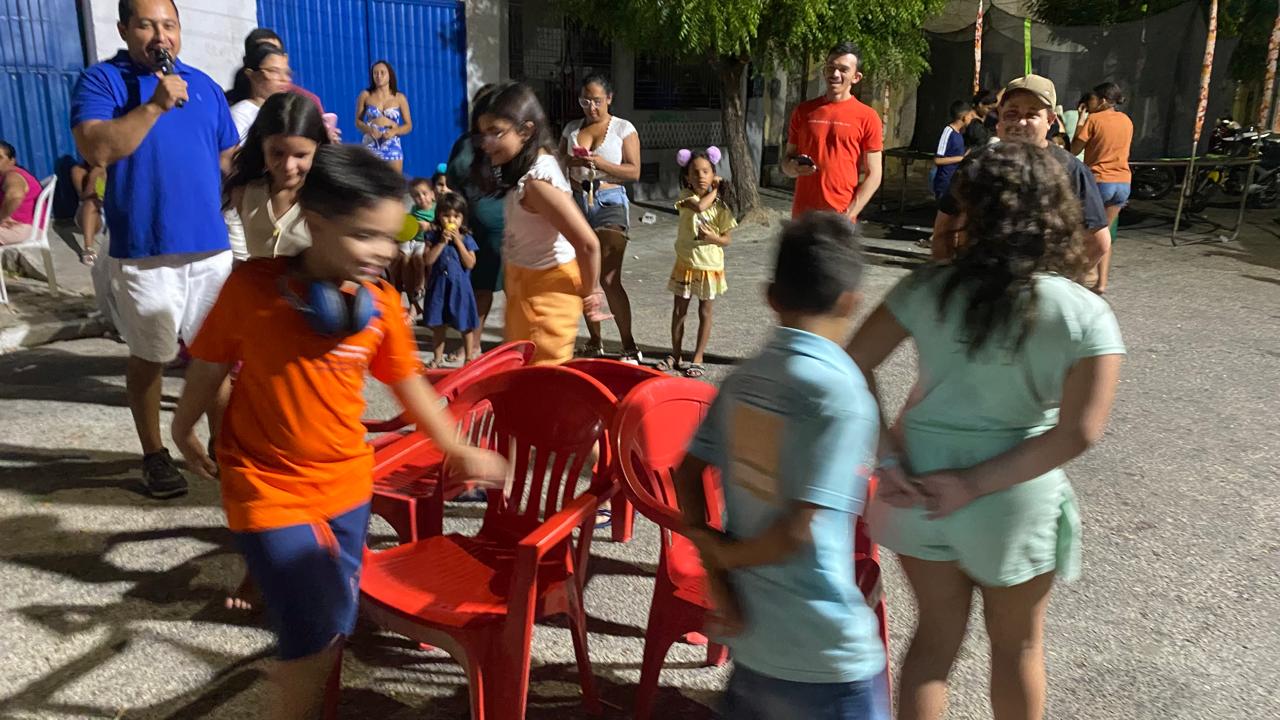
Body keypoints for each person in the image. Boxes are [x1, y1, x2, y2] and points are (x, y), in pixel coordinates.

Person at [171, 144, 507, 720]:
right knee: (317, 620)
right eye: (365, 235)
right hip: (266, 487)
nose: (384, 252)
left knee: (333, 621)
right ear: (316, 221)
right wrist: (182, 428)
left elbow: (409, 384)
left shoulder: (379, 304)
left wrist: (455, 446)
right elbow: (208, 365)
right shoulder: (251, 290)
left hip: (346, 488)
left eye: (391, 237)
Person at [847, 143, 1124, 720]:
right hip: (1013, 498)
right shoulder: (1085, 312)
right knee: (1018, 646)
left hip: (916, 487)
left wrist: (888, 460)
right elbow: (1080, 432)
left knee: (933, 644)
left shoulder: (927, 287)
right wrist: (973, 485)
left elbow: (850, 368)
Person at [673, 211, 888, 720]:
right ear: (851, 302)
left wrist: (717, 569)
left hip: (754, 643)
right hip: (826, 653)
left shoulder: (741, 382)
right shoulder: (841, 393)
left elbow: (687, 472)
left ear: (771, 297)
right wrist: (724, 560)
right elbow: (795, 532)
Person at [70, 0, 238, 499]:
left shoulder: (204, 86)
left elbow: (229, 160)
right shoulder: (104, 82)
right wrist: (153, 106)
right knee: (151, 357)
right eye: (146, 25)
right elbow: (97, 148)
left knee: (216, 359)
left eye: (169, 24)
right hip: (145, 250)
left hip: (211, 250)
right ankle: (155, 455)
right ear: (124, 29)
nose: (160, 35)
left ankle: (226, 448)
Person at [471, 81, 608, 365]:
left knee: (540, 380)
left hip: (545, 298)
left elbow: (588, 243)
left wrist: (591, 290)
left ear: (526, 130)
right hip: (527, 288)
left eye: (496, 132)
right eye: (483, 134)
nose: (487, 143)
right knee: (526, 377)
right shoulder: (529, 169)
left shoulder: (536, 183)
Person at [931, 75, 1111, 270]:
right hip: (980, 279)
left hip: (1039, 281)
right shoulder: (976, 163)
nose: (1020, 122)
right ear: (1000, 116)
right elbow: (944, 228)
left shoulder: (1071, 169)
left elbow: (1098, 241)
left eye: (1031, 115)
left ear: (1050, 120)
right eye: (1012, 113)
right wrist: (951, 275)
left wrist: (1062, 279)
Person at [559, 73, 642, 362]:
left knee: (608, 277)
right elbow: (557, 164)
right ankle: (595, 341)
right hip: (577, 202)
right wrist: (571, 160)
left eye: (596, 101)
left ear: (609, 98)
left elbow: (634, 171)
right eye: (585, 101)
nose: (591, 107)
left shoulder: (623, 128)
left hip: (610, 200)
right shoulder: (572, 128)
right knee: (584, 277)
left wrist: (602, 163)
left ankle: (629, 345)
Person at [781, 41, 884, 223]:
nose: (835, 74)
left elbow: (874, 175)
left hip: (840, 219)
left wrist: (849, 215)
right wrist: (792, 168)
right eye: (831, 68)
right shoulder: (803, 112)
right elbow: (787, 161)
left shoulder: (868, 117)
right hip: (802, 218)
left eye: (843, 70)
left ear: (856, 77)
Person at [658, 146, 736, 379]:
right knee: (679, 311)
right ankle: (675, 355)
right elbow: (700, 207)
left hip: (709, 267)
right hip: (685, 264)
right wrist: (718, 187)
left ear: (713, 174)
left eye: (706, 171)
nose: (701, 176)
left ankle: (698, 357)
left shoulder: (721, 207)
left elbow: (727, 239)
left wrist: (713, 238)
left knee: (705, 312)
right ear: (687, 177)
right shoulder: (685, 197)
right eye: (695, 172)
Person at [223, 92, 329, 261]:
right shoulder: (243, 194)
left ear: (318, 148)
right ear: (261, 145)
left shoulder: (331, 200)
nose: (288, 166)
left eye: (300, 155)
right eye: (277, 153)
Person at [447, 84, 505, 356]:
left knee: (515, 290)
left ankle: (518, 343)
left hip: (505, 229)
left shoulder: (506, 144)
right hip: (470, 228)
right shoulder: (464, 143)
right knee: (476, 289)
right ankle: (473, 343)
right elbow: (451, 182)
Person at [1071, 82, 1132, 295]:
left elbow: (1074, 149)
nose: (1090, 104)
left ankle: (1081, 278)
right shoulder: (1126, 120)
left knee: (1085, 234)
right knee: (1104, 234)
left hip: (1099, 180)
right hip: (1122, 182)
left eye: (1093, 100)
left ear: (1103, 100)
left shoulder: (1094, 120)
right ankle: (1101, 283)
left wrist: (1081, 120)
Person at [421, 191, 480, 367]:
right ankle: (437, 358)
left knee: (465, 324)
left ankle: (468, 358)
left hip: (460, 288)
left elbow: (470, 263)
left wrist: (458, 242)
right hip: (439, 287)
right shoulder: (433, 236)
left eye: (456, 216)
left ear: (462, 218)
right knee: (438, 325)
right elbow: (428, 260)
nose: (451, 220)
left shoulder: (466, 238)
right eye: (446, 216)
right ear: (439, 216)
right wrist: (442, 242)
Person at [236, 28, 324, 113]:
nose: (284, 79)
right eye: (273, 71)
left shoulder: (305, 103)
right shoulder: (238, 110)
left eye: (275, 50)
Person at [226, 43, 292, 142]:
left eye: (287, 73)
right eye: (274, 71)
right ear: (251, 75)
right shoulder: (241, 115)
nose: (284, 79)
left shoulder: (289, 111)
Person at [356, 60, 412, 174]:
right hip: (371, 143)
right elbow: (358, 121)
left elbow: (408, 125)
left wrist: (394, 131)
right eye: (375, 73)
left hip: (391, 143)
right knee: (370, 180)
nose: (379, 76)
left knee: (394, 180)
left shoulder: (399, 97)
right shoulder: (365, 95)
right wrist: (369, 130)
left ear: (389, 75)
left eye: (382, 73)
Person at [392, 177, 435, 317]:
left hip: (425, 242)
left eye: (424, 194)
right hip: (413, 240)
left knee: (417, 258)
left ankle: (420, 284)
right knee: (403, 259)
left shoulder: (435, 210)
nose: (421, 198)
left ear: (432, 194)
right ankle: (407, 293)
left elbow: (438, 226)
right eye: (416, 196)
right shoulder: (414, 209)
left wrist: (428, 226)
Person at [0, 140, 43, 247]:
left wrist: (1, 217)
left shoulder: (13, 176)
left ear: (12, 160)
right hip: (18, 226)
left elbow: (15, 196)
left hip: (20, 228)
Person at [933, 100, 969, 199]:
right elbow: (938, 160)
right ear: (964, 117)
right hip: (945, 183)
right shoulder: (948, 132)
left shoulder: (959, 133)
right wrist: (961, 158)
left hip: (955, 183)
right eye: (970, 115)